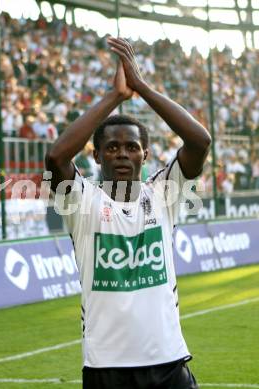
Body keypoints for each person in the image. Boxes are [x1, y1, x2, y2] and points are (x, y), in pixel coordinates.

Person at [45, 37, 211, 389]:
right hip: (107, 367)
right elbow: (56, 158)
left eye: (132, 147)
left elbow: (200, 141)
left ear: (145, 155)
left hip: (168, 362)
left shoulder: (164, 193)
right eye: (113, 147)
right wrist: (114, 97)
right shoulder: (82, 202)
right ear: (97, 156)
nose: (122, 154)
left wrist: (141, 86)